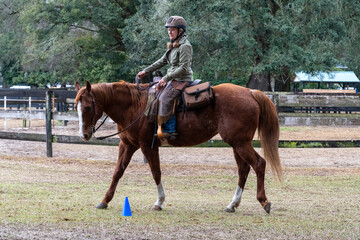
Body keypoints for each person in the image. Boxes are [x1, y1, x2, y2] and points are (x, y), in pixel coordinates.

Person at [138, 16, 193, 139]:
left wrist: (166, 78)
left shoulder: (185, 46)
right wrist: (146, 71)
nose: (169, 32)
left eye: (172, 29)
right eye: (168, 29)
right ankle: (155, 126)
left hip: (182, 79)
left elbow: (183, 67)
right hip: (173, 78)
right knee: (154, 94)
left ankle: (170, 129)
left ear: (180, 31)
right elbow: (162, 61)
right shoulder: (174, 45)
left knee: (164, 98)